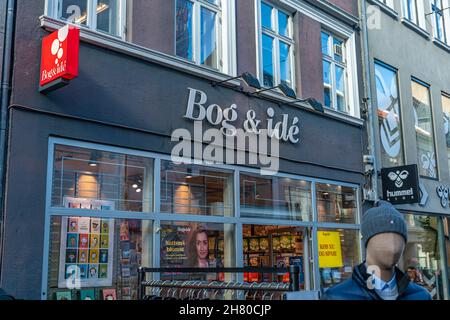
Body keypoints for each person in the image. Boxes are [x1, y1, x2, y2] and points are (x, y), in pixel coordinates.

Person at [322, 201, 431, 300]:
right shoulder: (337, 296)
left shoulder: (421, 295)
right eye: (383, 237)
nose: (393, 246)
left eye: (398, 238)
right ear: (367, 241)